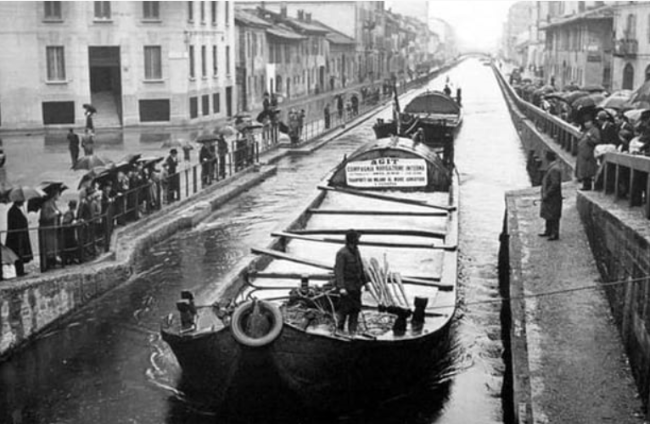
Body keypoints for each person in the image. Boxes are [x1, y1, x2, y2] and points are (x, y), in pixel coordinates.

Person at [334, 230, 367, 334]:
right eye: (357, 239)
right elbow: (338, 272)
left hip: (356, 287)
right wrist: (341, 287)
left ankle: (352, 332)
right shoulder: (342, 253)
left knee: (355, 310)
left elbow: (360, 268)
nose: (359, 240)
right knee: (344, 310)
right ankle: (339, 330)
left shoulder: (356, 251)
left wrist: (365, 282)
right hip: (347, 288)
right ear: (352, 240)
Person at [539, 151, 563, 241]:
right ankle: (548, 231)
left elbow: (555, 184)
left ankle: (554, 233)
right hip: (551, 197)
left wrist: (547, 194)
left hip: (553, 197)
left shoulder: (554, 169)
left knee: (553, 215)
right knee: (549, 214)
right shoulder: (553, 167)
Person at [5, 201, 33, 276]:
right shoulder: (13, 211)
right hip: (16, 237)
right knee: (17, 253)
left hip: (18, 236)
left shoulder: (15, 210)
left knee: (19, 253)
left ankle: (20, 270)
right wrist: (24, 223)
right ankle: (19, 271)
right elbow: (15, 223)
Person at [39, 189, 63, 270]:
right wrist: (54, 214)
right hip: (48, 230)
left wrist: (59, 213)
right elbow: (44, 217)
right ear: (54, 194)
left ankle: (53, 260)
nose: (59, 196)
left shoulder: (53, 203)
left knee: (53, 247)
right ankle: (49, 263)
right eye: (58, 194)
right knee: (49, 247)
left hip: (53, 229)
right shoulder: (46, 204)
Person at [575, 116, 600, 190]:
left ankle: (587, 186)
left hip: (589, 153)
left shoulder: (595, 130)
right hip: (583, 153)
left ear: (591, 122)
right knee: (583, 170)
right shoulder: (586, 130)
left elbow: (597, 140)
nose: (586, 124)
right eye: (585, 122)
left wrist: (590, 139)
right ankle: (585, 184)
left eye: (587, 122)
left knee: (588, 171)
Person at [61, 200, 79, 265]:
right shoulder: (69, 213)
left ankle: (71, 259)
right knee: (70, 245)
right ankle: (69, 259)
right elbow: (65, 223)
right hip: (68, 233)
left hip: (70, 232)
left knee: (71, 245)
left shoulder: (70, 212)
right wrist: (72, 224)